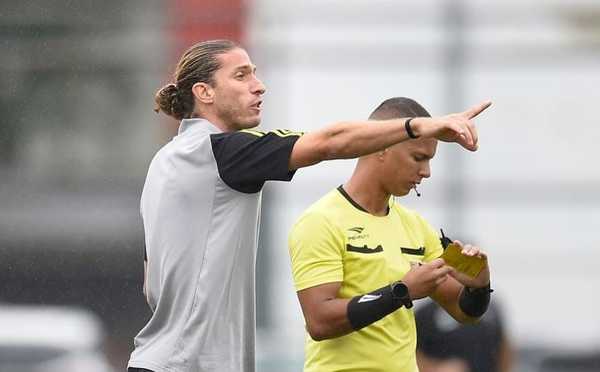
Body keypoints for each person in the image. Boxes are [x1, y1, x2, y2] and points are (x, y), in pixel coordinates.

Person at [127, 38, 491, 372]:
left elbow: (150, 283)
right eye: (241, 75)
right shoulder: (220, 153)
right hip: (189, 364)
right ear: (203, 92)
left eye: (255, 73)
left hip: (160, 358)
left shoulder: (164, 163)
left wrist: (478, 284)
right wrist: (422, 125)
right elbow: (330, 142)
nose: (259, 84)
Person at [288, 97, 494, 372]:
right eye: (418, 157)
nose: (427, 172)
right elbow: (320, 321)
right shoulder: (320, 221)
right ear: (382, 147)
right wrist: (403, 291)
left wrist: (478, 287)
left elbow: (463, 312)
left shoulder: (416, 227)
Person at [416, 298, 513, 372]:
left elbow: (503, 346)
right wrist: (436, 368)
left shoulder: (489, 307)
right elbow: (412, 351)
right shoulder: (426, 312)